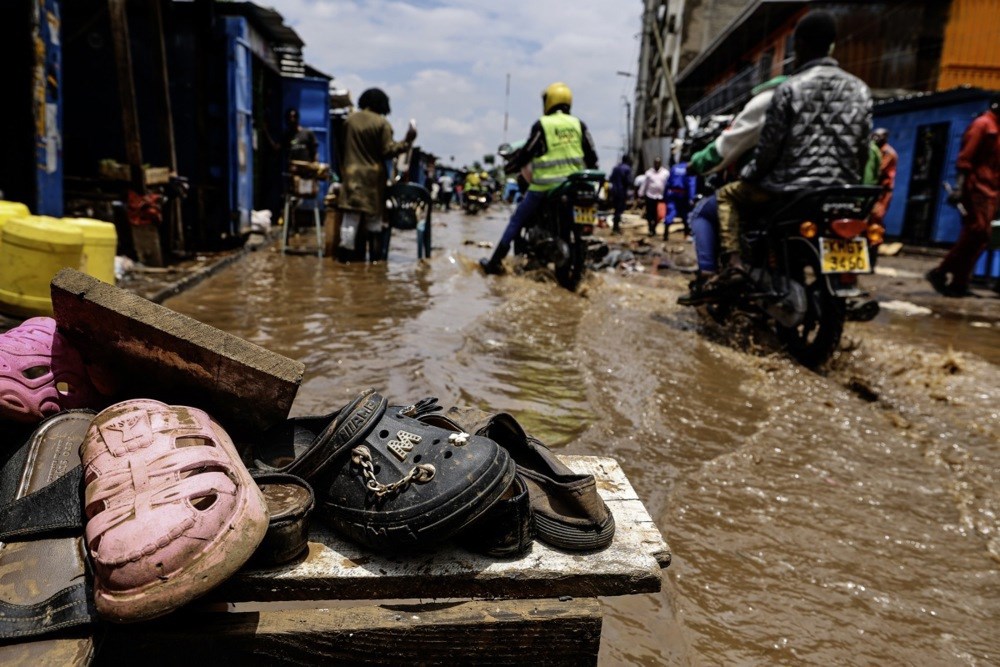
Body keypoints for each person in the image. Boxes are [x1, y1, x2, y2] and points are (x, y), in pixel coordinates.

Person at [713, 11, 872, 277]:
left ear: (799, 45)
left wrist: (749, 173)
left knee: (727, 196)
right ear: (831, 44)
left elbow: (769, 150)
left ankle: (735, 265)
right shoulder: (860, 89)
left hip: (789, 191)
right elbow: (863, 148)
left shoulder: (790, 88)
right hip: (840, 193)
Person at [681, 74, 788, 290]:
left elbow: (727, 145)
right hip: (820, 189)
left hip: (773, 187)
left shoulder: (770, 100)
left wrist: (697, 164)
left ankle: (720, 268)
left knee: (704, 211)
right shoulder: (828, 101)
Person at [479, 82, 598, 274]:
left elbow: (527, 152)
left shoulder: (543, 124)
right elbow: (592, 156)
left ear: (549, 101)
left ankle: (494, 263)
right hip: (575, 186)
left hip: (545, 186)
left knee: (516, 221)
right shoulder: (579, 124)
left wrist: (511, 166)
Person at [926, 94, 1000, 297]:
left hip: (992, 191)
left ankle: (959, 282)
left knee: (981, 237)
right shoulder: (983, 125)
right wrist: (959, 189)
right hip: (977, 189)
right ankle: (941, 272)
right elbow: (965, 160)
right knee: (976, 232)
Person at [337, 88, 416, 262]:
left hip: (350, 176)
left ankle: (345, 259)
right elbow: (388, 151)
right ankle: (374, 260)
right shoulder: (382, 124)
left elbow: (342, 147)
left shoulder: (349, 121)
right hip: (372, 180)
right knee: (374, 220)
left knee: (350, 219)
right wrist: (407, 142)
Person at [637, 157, 669, 237]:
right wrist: (640, 194)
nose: (657, 164)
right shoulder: (649, 173)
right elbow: (645, 184)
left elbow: (668, 184)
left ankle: (654, 228)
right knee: (649, 214)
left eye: (658, 163)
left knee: (658, 215)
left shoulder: (665, 173)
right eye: (655, 163)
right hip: (650, 195)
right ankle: (650, 229)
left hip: (660, 197)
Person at [608, 155, 633, 234]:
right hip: (621, 191)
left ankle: (615, 227)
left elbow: (610, 179)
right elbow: (628, 181)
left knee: (616, 210)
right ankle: (616, 228)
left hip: (614, 192)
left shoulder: (616, 168)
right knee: (619, 210)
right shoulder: (627, 168)